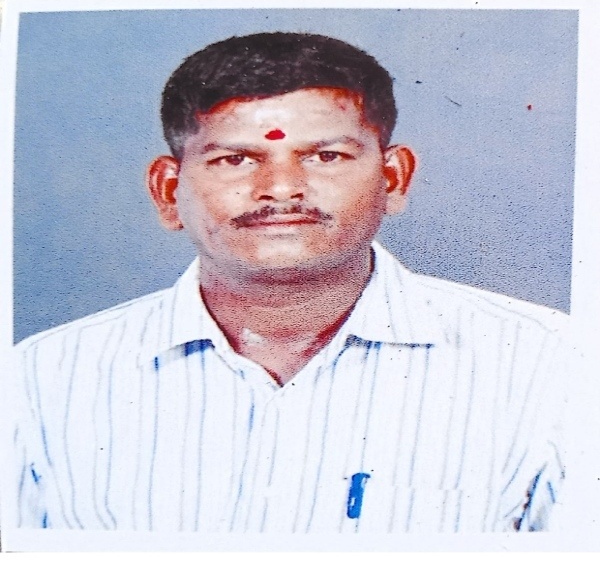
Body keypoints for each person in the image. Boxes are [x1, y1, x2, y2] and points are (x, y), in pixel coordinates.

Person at [8, 32, 567, 534]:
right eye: (235, 160)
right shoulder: (42, 382)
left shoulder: (549, 370)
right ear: (168, 190)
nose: (281, 188)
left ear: (393, 178)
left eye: (325, 155)